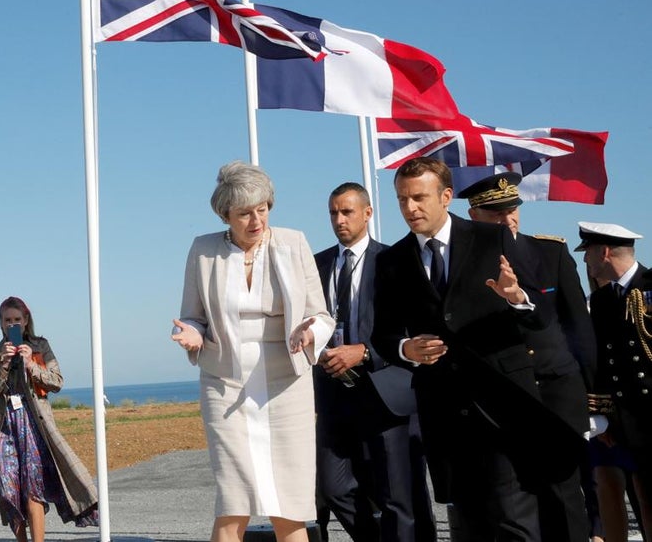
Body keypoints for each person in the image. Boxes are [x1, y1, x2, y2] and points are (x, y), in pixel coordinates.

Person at [371, 158, 579, 542]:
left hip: (503, 404)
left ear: (446, 196)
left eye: (419, 198)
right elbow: (382, 335)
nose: (410, 208)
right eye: (402, 200)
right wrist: (407, 349)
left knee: (513, 519)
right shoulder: (390, 260)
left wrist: (517, 297)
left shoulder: (492, 238)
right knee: (469, 521)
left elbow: (542, 312)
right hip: (443, 411)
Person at [171, 161, 333, 542]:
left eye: (263, 209)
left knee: (289, 504)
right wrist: (192, 335)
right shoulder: (203, 250)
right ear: (224, 213)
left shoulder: (294, 243)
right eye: (244, 213)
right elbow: (192, 317)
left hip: (287, 385)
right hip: (224, 384)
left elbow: (321, 314)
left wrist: (313, 332)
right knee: (233, 500)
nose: (256, 220)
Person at [457, 172, 594, 542]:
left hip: (554, 390)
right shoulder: (462, 266)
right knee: (512, 502)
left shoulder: (551, 252)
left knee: (565, 497)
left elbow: (577, 325)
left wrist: (595, 394)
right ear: (474, 215)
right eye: (496, 213)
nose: (508, 219)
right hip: (501, 396)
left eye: (512, 209)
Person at [313, 182, 433, 542]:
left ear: (367, 213)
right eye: (333, 212)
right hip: (334, 394)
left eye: (347, 211)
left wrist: (364, 351)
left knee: (400, 495)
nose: (339, 219)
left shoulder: (394, 260)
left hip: (386, 390)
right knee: (333, 488)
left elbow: (412, 331)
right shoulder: (317, 264)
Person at [0, 295, 98, 542]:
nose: (12, 324)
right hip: (6, 426)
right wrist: (3, 363)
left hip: (35, 423)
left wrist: (30, 364)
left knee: (34, 489)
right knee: (9, 488)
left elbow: (57, 382)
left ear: (25, 321)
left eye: (17, 319)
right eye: (7, 320)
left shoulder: (40, 347)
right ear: (1, 323)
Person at [578, 222, 652, 537]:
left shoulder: (648, 286)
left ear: (605, 252)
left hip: (649, 417)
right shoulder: (606, 299)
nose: (585, 262)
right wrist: (603, 415)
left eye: (588, 254)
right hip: (623, 423)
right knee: (636, 495)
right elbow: (602, 364)